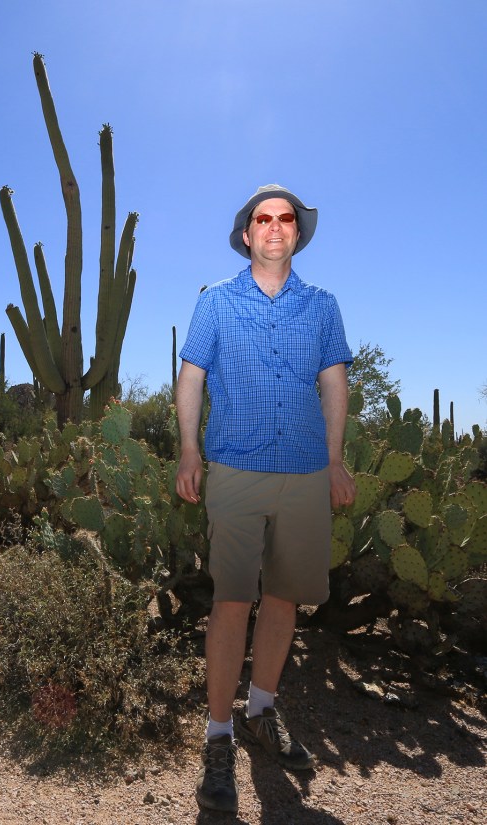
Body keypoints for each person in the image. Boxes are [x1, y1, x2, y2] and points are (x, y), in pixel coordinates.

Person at [175, 184, 356, 814]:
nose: (275, 227)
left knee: (283, 599)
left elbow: (333, 384)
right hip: (233, 470)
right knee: (231, 600)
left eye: (286, 219)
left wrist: (335, 461)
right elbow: (191, 378)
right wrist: (190, 452)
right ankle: (218, 735)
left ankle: (262, 710)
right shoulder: (215, 303)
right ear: (247, 233)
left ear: (296, 234)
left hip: (306, 472)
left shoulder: (323, 307)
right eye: (263, 219)